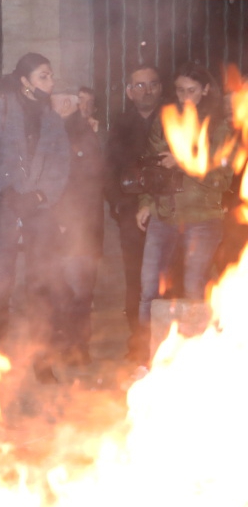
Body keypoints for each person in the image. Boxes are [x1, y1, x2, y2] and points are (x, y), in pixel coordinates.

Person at [0, 53, 70, 383]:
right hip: (6, 209)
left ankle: (42, 361)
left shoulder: (52, 118)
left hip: (40, 213)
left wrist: (40, 196)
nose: (50, 82)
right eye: (43, 76)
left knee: (41, 287)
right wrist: (8, 192)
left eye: (50, 76)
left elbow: (61, 165)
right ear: (25, 81)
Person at [136, 63, 231, 344]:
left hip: (203, 218)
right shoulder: (165, 120)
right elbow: (150, 166)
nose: (185, 97)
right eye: (180, 90)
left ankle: (194, 355)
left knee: (193, 290)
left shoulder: (219, 126)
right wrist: (144, 202)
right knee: (149, 290)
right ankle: (147, 355)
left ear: (205, 90)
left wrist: (183, 162)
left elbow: (221, 178)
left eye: (192, 90)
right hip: (164, 214)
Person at [105, 65, 163, 359]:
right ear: (129, 91)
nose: (146, 91)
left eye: (152, 84)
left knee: (166, 276)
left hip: (168, 212)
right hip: (130, 214)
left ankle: (165, 340)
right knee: (136, 276)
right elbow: (108, 170)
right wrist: (118, 206)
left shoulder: (171, 120)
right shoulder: (120, 124)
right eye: (139, 86)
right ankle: (139, 339)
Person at [52, 92, 107, 365]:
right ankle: (62, 344)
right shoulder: (47, 129)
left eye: (68, 98)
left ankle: (76, 348)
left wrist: (69, 219)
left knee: (79, 290)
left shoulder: (84, 132)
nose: (62, 103)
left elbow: (87, 180)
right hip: (54, 226)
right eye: (56, 97)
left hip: (80, 226)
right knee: (58, 289)